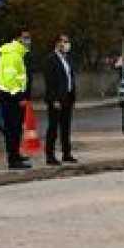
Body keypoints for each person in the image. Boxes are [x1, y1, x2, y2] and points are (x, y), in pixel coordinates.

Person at [0, 29, 33, 169]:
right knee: (12, 130)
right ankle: (13, 159)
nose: (28, 40)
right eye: (25, 37)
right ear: (17, 38)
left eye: (29, 37)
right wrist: (19, 97)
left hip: (11, 96)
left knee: (16, 129)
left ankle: (15, 154)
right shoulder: (13, 55)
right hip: (11, 97)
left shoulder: (17, 53)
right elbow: (10, 79)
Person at [43, 33, 78, 165]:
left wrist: (72, 96)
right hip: (57, 99)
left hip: (68, 97)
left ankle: (66, 153)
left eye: (67, 41)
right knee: (53, 128)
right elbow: (49, 82)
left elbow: (70, 77)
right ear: (57, 43)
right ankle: (50, 155)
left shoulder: (67, 58)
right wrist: (54, 99)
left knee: (66, 127)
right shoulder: (50, 59)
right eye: (64, 41)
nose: (66, 44)